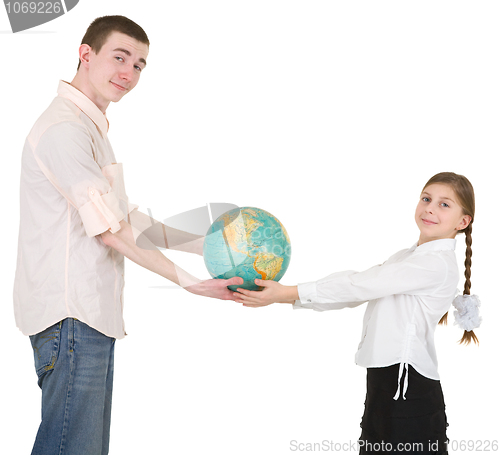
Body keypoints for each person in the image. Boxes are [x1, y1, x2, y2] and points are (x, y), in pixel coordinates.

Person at [14, 15, 242, 455]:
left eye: (139, 64)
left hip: (86, 319)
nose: (130, 73)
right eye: (120, 57)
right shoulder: (66, 129)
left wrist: (209, 243)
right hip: (71, 318)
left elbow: (125, 218)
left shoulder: (90, 128)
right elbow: (112, 232)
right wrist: (190, 282)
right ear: (86, 53)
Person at [234, 172, 481, 454]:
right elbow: (358, 289)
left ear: (463, 222)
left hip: (408, 387)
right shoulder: (406, 257)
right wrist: (279, 297)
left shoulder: (435, 264)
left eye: (444, 204)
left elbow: (360, 285)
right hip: (385, 382)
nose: (430, 208)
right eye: (426, 198)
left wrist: (288, 291)